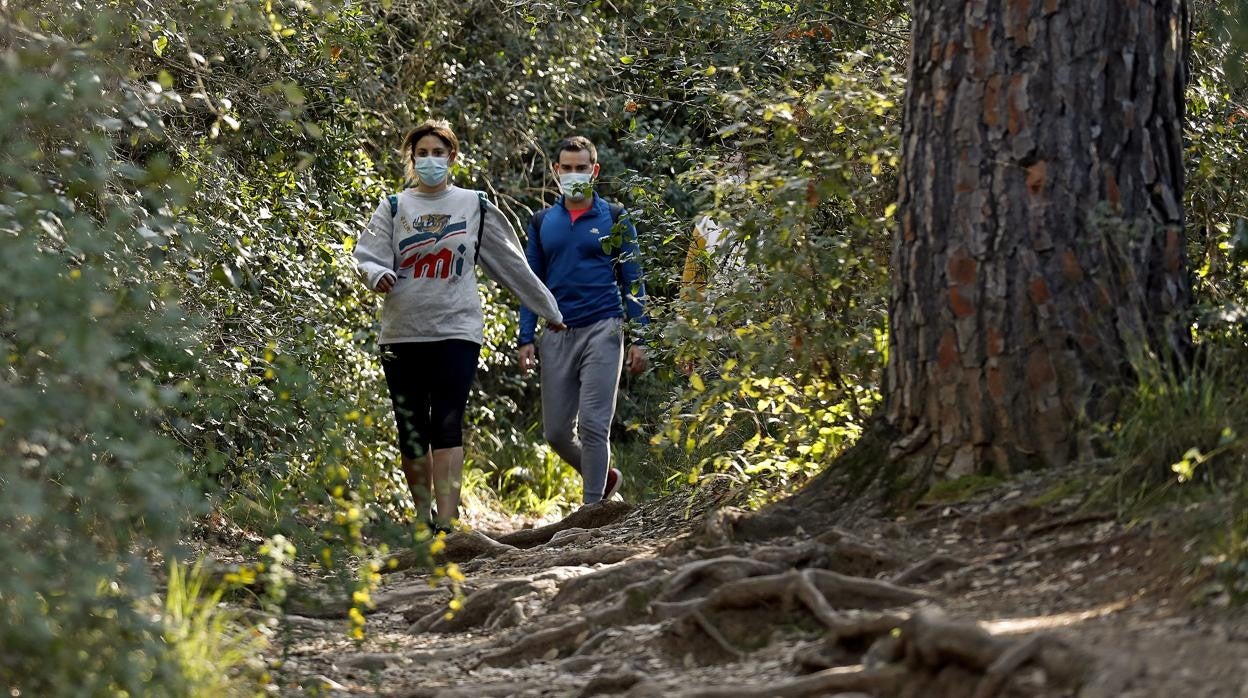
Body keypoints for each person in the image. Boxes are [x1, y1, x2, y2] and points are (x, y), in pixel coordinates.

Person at [354, 118, 565, 533]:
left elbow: (511, 264)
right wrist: (377, 274)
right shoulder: (394, 207)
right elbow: (367, 255)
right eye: (422, 153)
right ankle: (420, 520)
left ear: (452, 157)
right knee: (411, 425)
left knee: (447, 421)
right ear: (412, 159)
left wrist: (549, 310)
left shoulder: (474, 205)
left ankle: (446, 527)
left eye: (438, 153)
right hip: (402, 331)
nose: (430, 160)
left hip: (457, 330)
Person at [516, 135, 648, 505]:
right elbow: (531, 284)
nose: (575, 174)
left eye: (582, 168)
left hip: (603, 329)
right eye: (568, 168)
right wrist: (525, 337)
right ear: (557, 172)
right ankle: (603, 479)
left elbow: (632, 279)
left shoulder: (616, 217)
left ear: (595, 170)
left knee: (593, 425)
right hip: (557, 333)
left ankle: (592, 510)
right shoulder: (542, 222)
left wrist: (640, 337)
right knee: (556, 433)